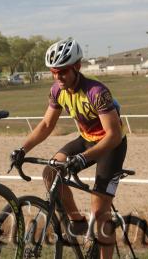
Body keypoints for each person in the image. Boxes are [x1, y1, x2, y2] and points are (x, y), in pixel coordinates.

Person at [10, 38, 127, 259]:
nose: (57, 77)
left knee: (100, 211)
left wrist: (83, 158)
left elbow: (113, 135)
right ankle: (77, 222)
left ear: (77, 67)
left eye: (62, 72)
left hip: (111, 145)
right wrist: (22, 149)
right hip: (86, 139)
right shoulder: (57, 91)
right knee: (51, 171)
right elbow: (46, 125)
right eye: (54, 72)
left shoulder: (96, 91)